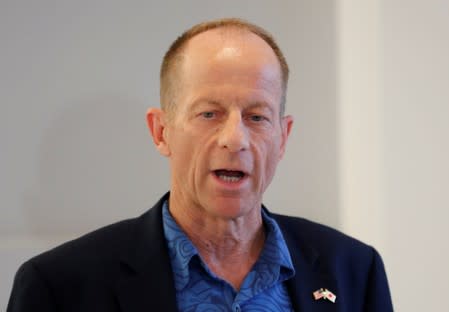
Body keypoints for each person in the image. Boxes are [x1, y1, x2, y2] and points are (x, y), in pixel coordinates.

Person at [7, 18, 393, 311]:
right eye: (209, 113)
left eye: (257, 117)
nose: (235, 138)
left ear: (283, 137)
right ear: (161, 131)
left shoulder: (355, 271)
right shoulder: (60, 287)